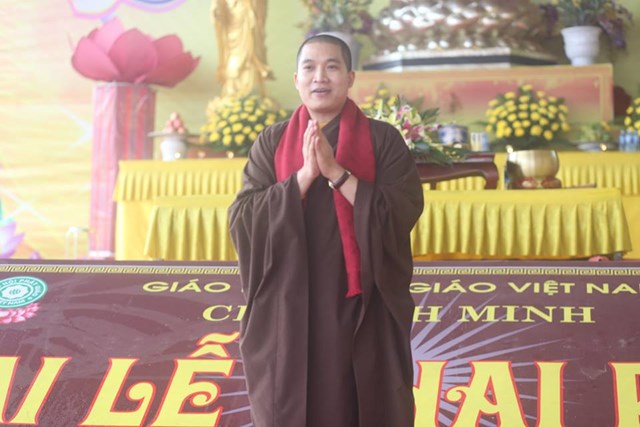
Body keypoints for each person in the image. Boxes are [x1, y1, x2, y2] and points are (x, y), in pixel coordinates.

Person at [228, 34, 424, 427]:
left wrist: (336, 173)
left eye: (332, 67)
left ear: (350, 78)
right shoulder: (271, 141)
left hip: (361, 303)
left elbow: (402, 210)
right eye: (310, 68)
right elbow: (243, 218)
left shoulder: (383, 140)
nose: (320, 77)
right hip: (289, 305)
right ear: (296, 79)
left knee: (361, 404)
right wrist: (302, 177)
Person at [211, 0, 273, 97]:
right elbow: (219, 15)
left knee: (249, 63)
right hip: (232, 32)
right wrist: (217, 9)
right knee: (232, 66)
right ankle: (233, 96)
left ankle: (252, 96)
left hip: (247, 24)